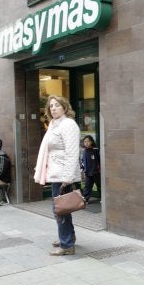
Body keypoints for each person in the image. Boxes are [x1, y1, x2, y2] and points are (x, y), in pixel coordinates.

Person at [34, 95, 81, 256]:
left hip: (63, 175)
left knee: (60, 210)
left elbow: (72, 152)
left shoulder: (68, 124)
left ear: (65, 107)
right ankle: (68, 238)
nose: (53, 108)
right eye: (51, 106)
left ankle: (67, 244)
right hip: (56, 173)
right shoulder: (54, 125)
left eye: (57, 105)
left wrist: (67, 178)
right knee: (61, 209)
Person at [80, 135, 101, 203]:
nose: (86, 143)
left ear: (91, 142)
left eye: (88, 141)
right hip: (87, 172)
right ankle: (86, 199)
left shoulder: (95, 150)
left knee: (100, 185)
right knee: (87, 186)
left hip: (96, 172)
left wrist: (99, 170)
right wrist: (82, 170)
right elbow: (82, 161)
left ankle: (103, 197)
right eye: (85, 141)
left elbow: (99, 161)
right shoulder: (84, 151)